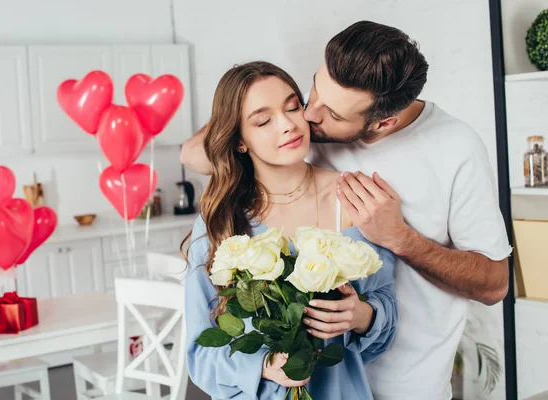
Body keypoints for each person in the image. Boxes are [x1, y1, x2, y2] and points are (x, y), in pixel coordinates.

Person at [180, 21, 512, 400]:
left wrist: (400, 239)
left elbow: (494, 284)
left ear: (383, 122)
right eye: (312, 91)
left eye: (332, 114)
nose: (306, 116)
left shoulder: (455, 148)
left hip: (406, 387)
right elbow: (196, 151)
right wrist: (236, 141)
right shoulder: (306, 118)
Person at [183, 61, 398, 399]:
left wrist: (362, 316)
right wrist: (264, 366)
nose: (287, 125)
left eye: (293, 107)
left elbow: (385, 311)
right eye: (264, 120)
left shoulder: (354, 200)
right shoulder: (221, 221)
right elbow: (200, 353)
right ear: (240, 141)